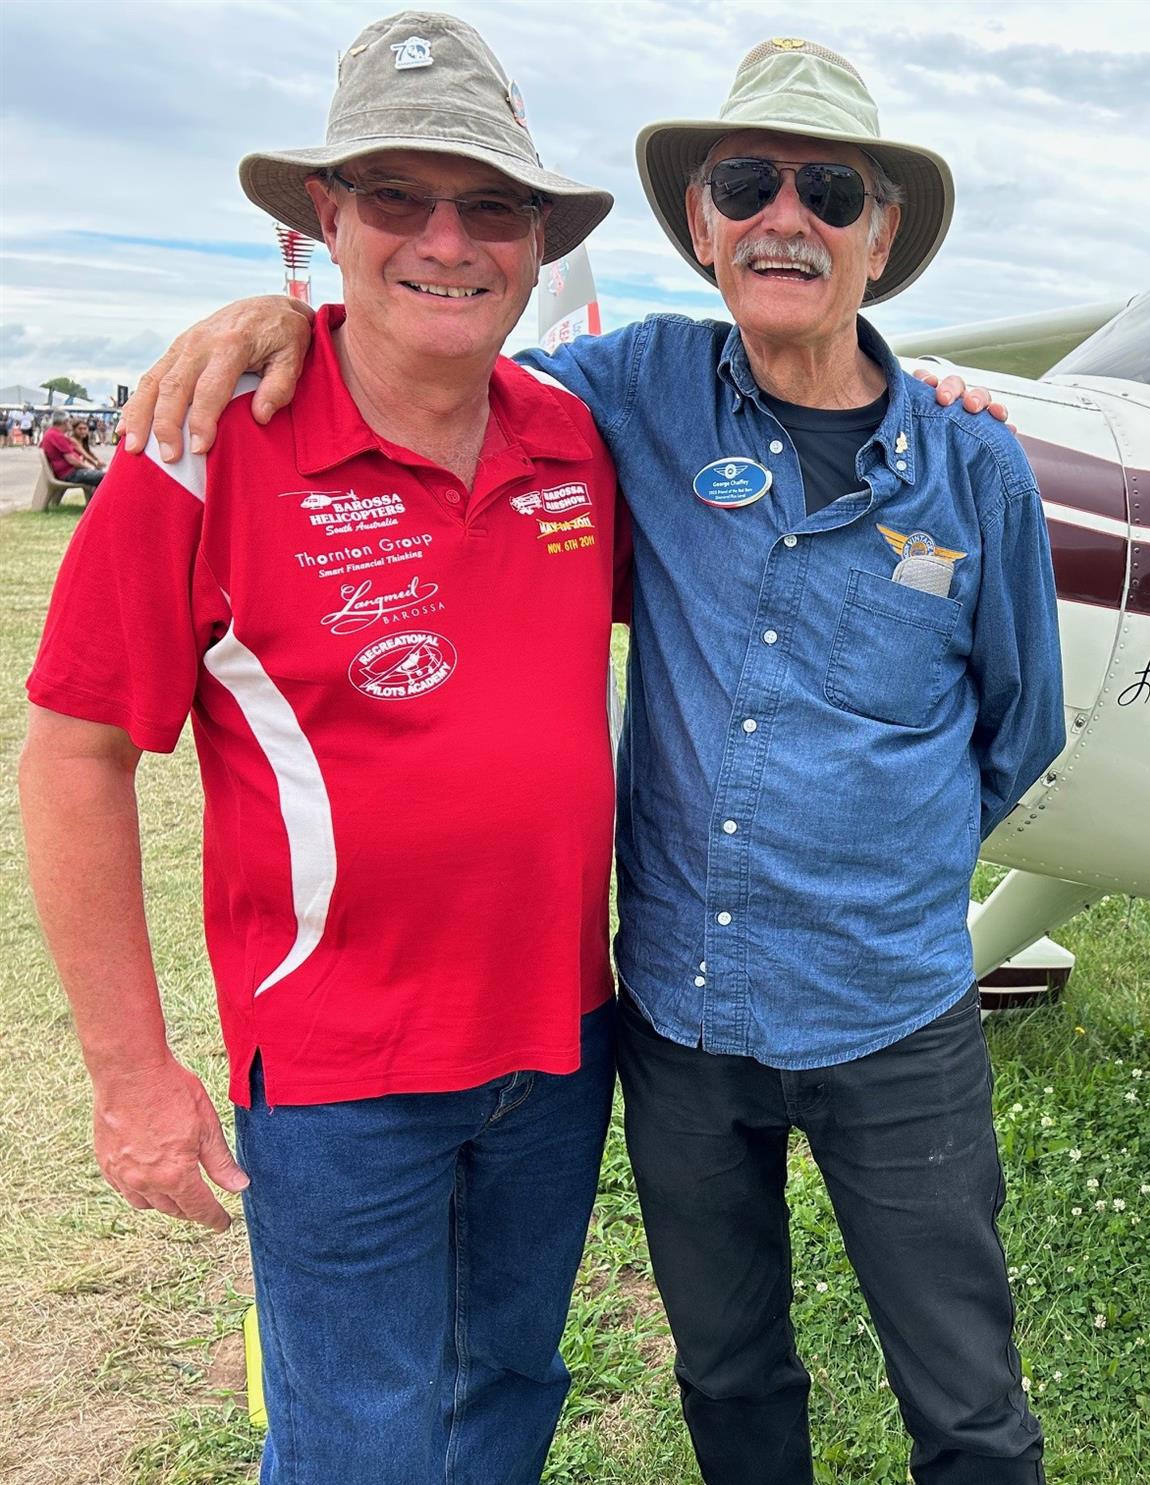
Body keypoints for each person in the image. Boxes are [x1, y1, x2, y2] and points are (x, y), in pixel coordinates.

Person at [126, 35, 1064, 1485]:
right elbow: (430, 343)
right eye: (746, 185)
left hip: (892, 1012)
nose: (786, 218)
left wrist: (883, 853)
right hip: (684, 1018)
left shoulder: (972, 463)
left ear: (882, 237)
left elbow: (1019, 726)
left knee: (967, 1394)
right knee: (728, 1369)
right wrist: (278, 319)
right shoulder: (627, 392)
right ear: (702, 224)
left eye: (830, 192)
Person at [20, 14, 625, 1483]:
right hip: (344, 1078)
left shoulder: (576, 439)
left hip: (561, 1044)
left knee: (510, 1387)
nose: (446, 240)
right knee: (359, 1440)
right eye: (396, 196)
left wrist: (936, 400)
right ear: (326, 217)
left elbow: (782, 395)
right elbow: (75, 755)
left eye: (490, 206)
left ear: (536, 243)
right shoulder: (200, 449)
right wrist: (130, 1074)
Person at [39, 414, 104, 497]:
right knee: (105, 477)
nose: (70, 424)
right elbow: (72, 460)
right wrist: (90, 468)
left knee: (100, 475)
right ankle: (100, 503)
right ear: (65, 422)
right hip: (69, 473)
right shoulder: (58, 436)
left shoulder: (51, 433)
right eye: (69, 421)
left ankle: (97, 501)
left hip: (66, 472)